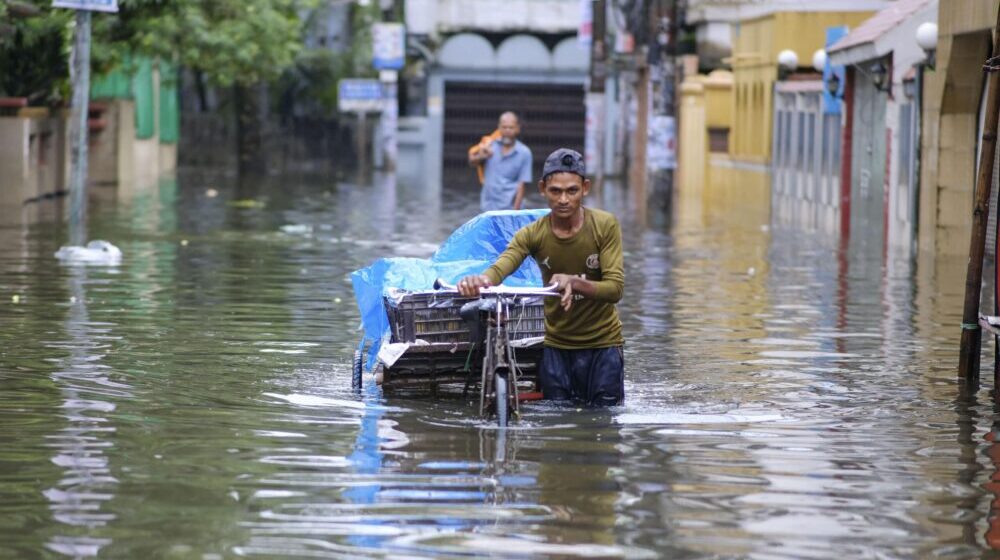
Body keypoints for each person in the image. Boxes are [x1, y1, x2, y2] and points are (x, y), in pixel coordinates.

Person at [457, 148, 625, 406]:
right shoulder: (533, 234)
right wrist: (480, 280)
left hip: (603, 346)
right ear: (543, 189)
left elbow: (615, 289)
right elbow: (502, 266)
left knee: (604, 424)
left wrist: (573, 281)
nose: (564, 199)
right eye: (555, 191)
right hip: (557, 347)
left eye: (572, 191)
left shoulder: (605, 225)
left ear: (585, 189)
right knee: (556, 421)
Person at [467, 112, 533, 211]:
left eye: (511, 127)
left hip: (509, 208)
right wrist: (482, 156)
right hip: (488, 207)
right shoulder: (489, 145)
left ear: (518, 128)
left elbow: (522, 185)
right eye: (504, 127)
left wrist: (515, 213)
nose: (507, 131)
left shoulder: (524, 153)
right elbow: (472, 162)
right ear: (499, 128)